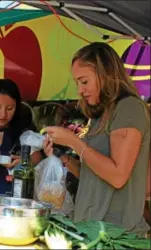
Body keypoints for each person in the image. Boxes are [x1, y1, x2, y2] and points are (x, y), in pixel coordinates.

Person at [43, 42, 150, 235]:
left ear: (105, 74)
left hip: (116, 234)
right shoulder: (100, 115)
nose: (80, 91)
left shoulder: (129, 108)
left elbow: (117, 176)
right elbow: (93, 175)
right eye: (77, 83)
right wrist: (64, 157)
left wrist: (75, 142)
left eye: (84, 82)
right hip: (91, 229)